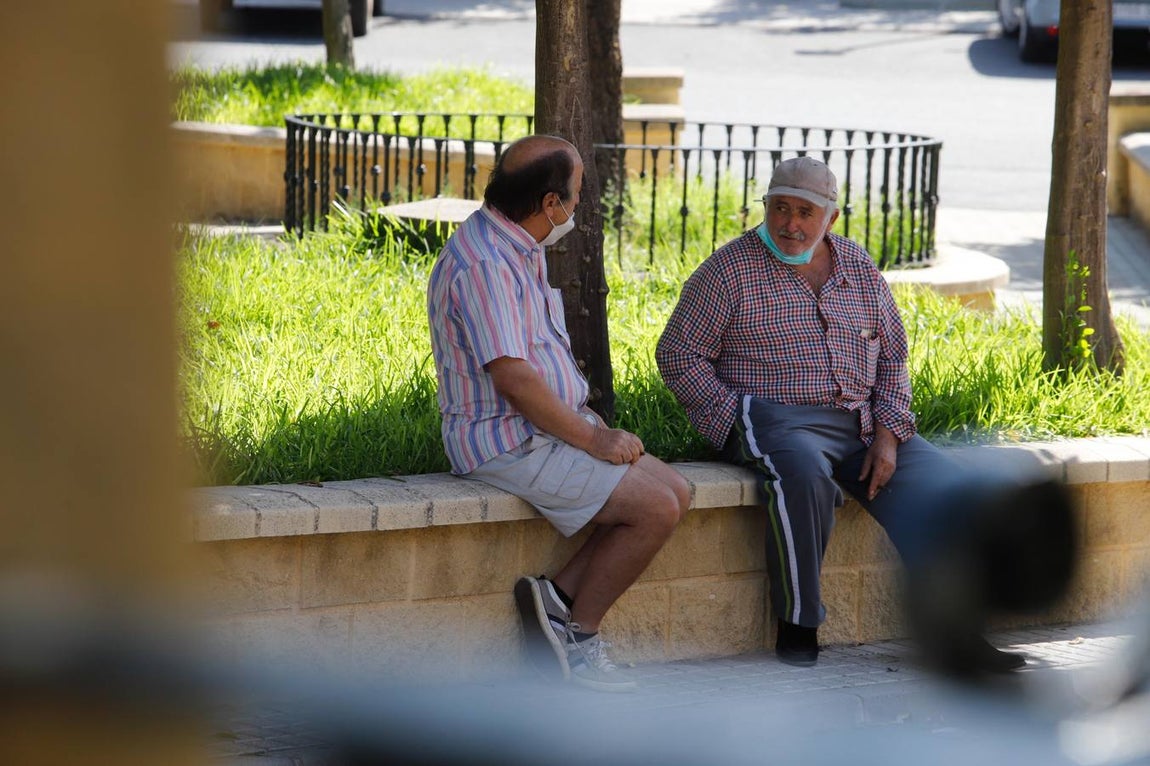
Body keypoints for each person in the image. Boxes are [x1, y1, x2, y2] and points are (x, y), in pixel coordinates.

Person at [655, 156, 1033, 673]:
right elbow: (678, 353)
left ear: (830, 218)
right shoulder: (727, 271)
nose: (790, 224)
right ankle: (798, 623)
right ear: (765, 207)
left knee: (946, 490)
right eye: (779, 208)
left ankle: (958, 636)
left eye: (805, 212)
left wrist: (888, 434)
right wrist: (732, 418)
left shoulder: (857, 265)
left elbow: (893, 354)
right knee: (803, 476)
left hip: (860, 422)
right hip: (777, 417)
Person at [427, 134, 690, 692]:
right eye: (576, 195)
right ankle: (577, 641)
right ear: (551, 203)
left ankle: (553, 600)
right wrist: (593, 441)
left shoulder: (516, 243)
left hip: (545, 428)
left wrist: (586, 424)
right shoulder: (485, 265)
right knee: (655, 509)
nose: (578, 206)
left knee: (678, 493)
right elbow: (515, 379)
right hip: (507, 439)